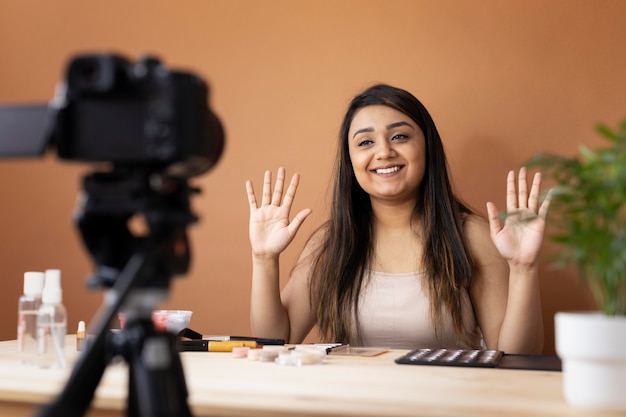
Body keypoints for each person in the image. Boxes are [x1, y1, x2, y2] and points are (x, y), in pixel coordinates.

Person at [245, 84, 551, 354]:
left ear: (427, 148)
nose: (384, 152)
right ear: (351, 162)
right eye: (366, 142)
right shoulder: (330, 243)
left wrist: (523, 268)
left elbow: (517, 354)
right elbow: (274, 340)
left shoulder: (470, 235)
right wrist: (263, 259)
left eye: (400, 136)